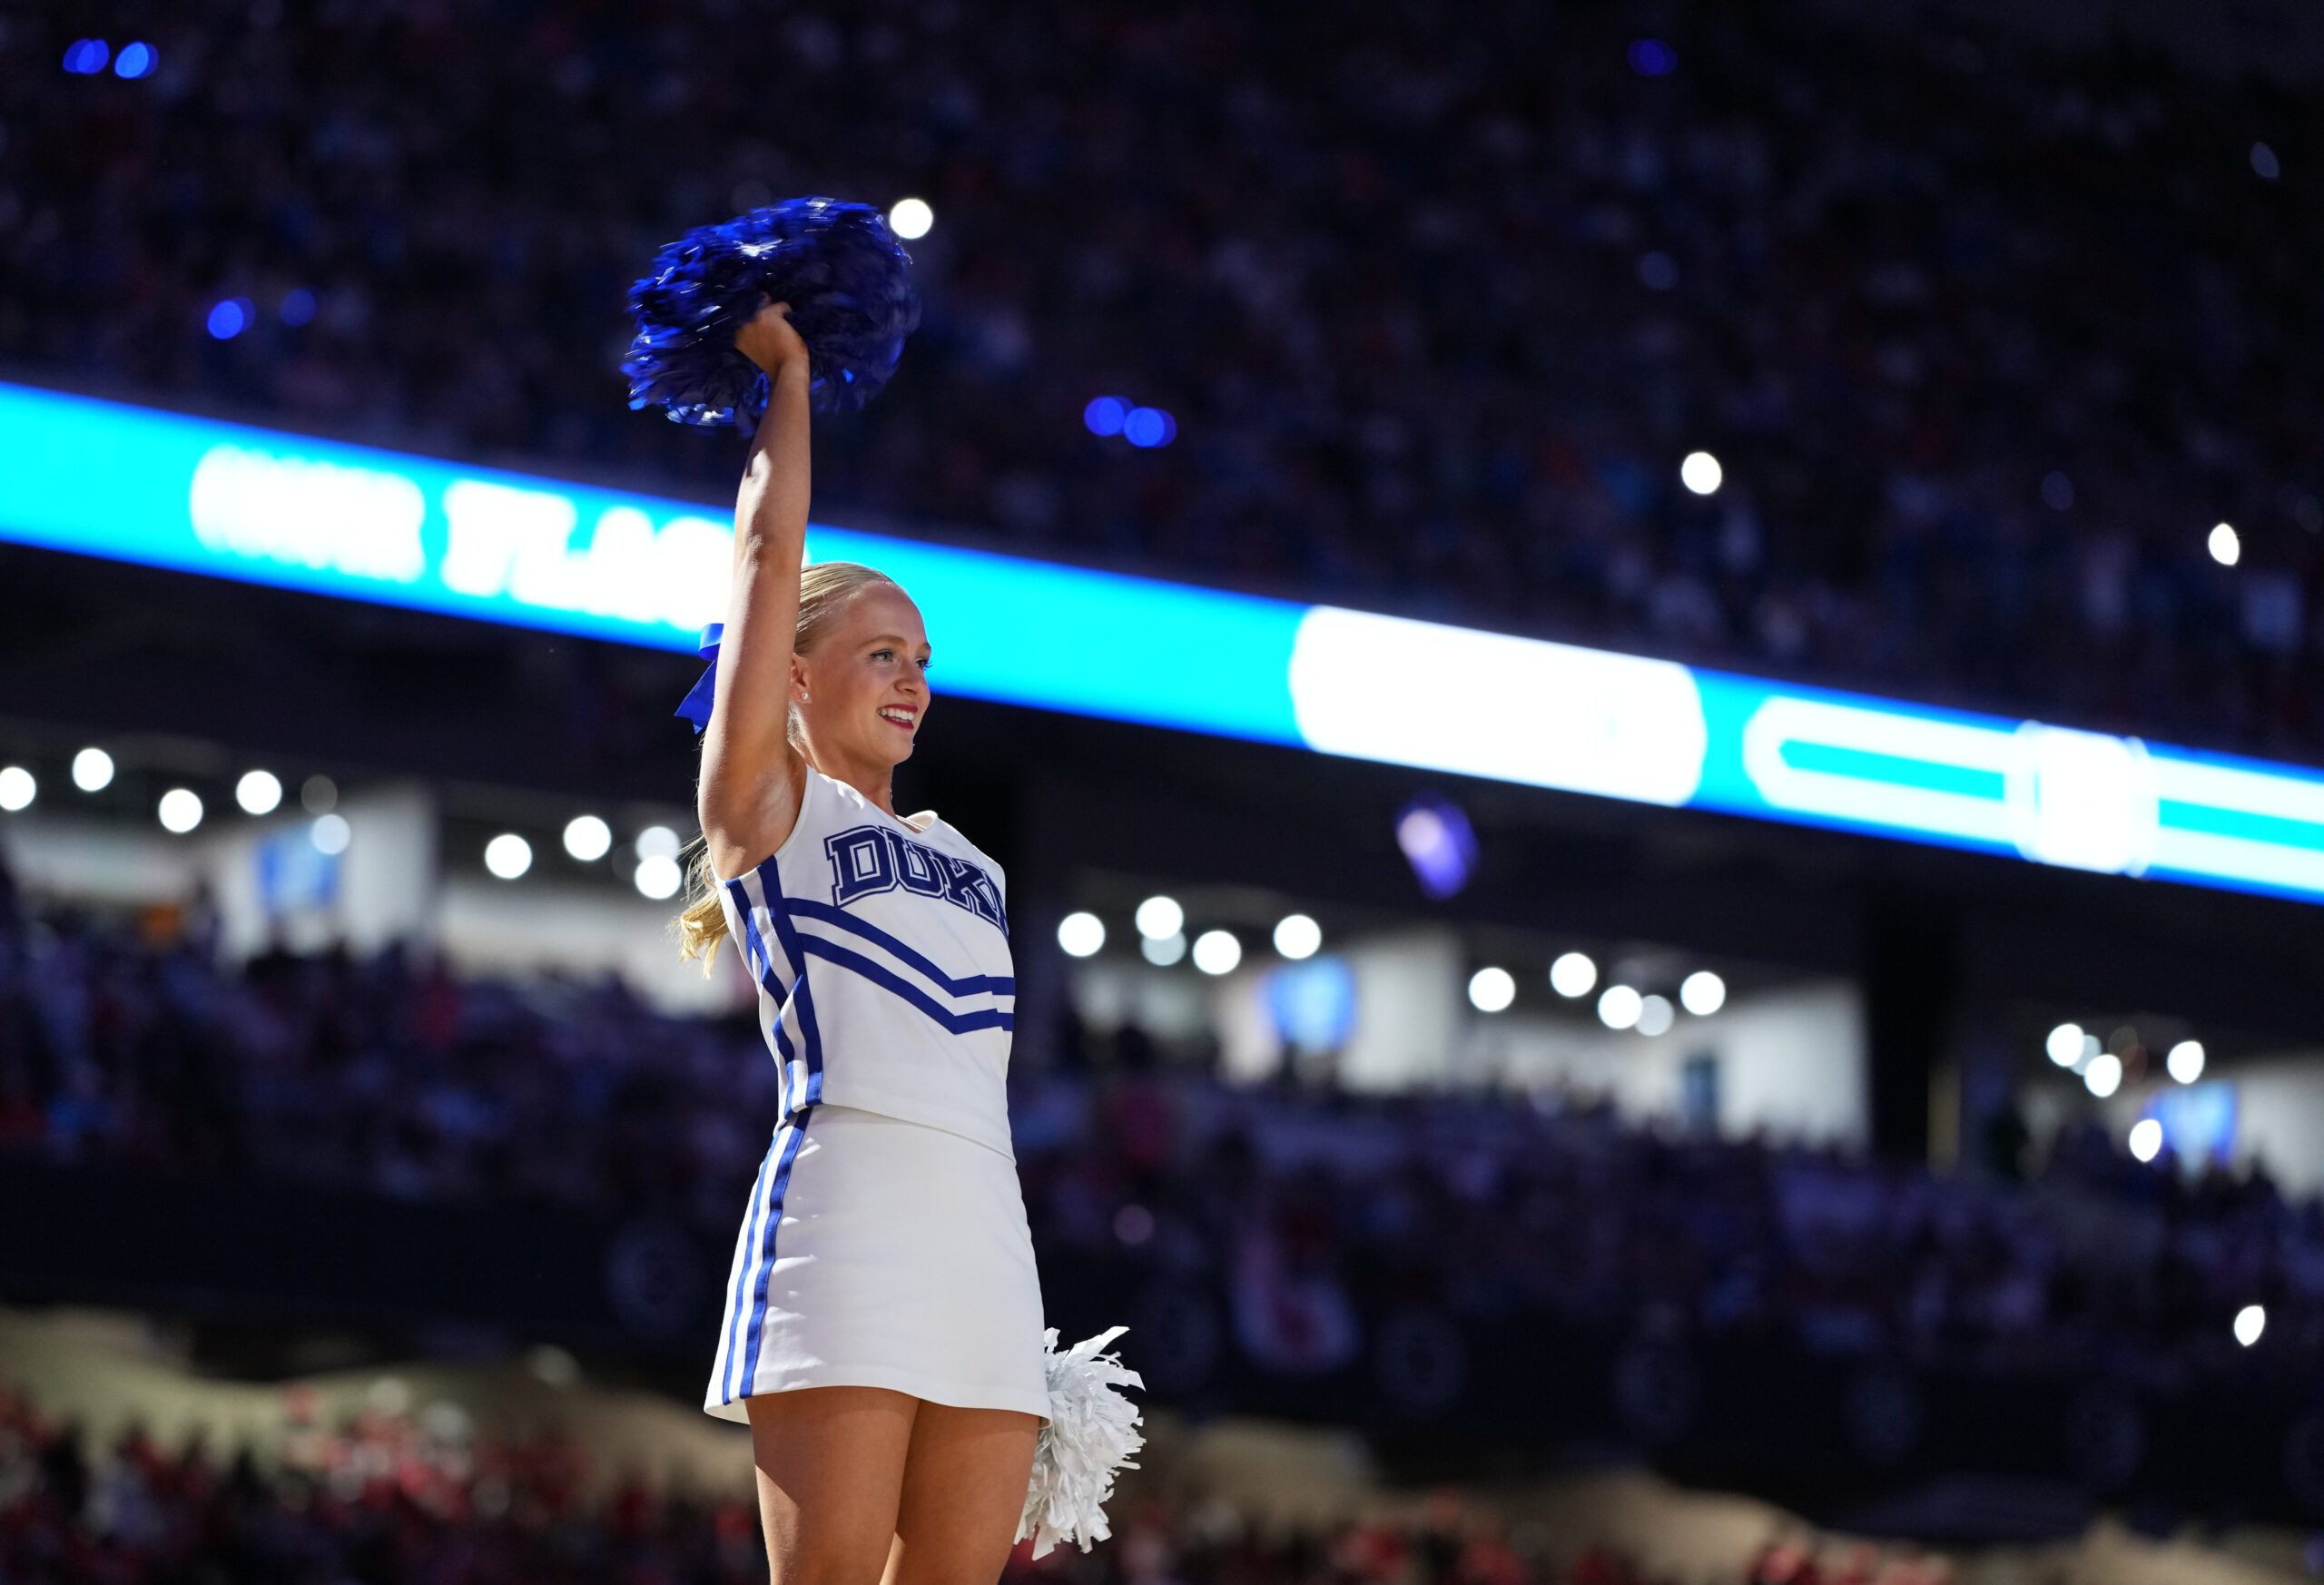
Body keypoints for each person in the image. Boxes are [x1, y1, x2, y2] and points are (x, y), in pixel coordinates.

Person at [675, 299, 1045, 1585]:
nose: (912, 681)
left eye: (924, 661)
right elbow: (767, 562)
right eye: (880, 652)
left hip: (987, 1231)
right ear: (790, 673)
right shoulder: (771, 813)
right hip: (849, 1210)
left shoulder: (978, 863)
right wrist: (788, 382)